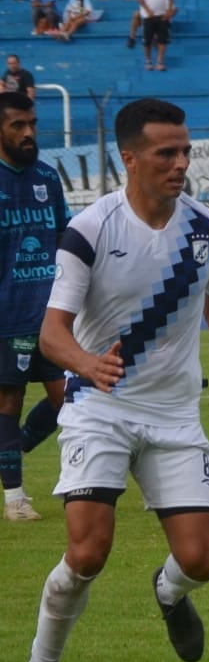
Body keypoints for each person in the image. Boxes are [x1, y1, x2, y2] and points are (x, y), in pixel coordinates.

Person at [13, 98, 209, 662]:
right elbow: (52, 332)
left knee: (202, 560)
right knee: (88, 551)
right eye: (167, 152)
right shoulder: (88, 231)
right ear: (130, 157)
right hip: (100, 408)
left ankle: (169, 593)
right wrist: (86, 363)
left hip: (173, 413)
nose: (181, 163)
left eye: (186, 151)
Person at [0, 92, 70, 523]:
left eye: (32, 124)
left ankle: (14, 448)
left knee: (72, 400)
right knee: (8, 400)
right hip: (7, 316)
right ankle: (15, 498)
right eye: (17, 126)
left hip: (53, 313)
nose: (28, 133)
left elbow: (65, 239)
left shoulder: (48, 176)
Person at [135, 0, 175, 72]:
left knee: (162, 40)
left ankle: (160, 61)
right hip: (149, 16)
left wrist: (169, 11)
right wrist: (148, 10)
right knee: (147, 40)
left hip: (162, 15)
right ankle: (148, 60)